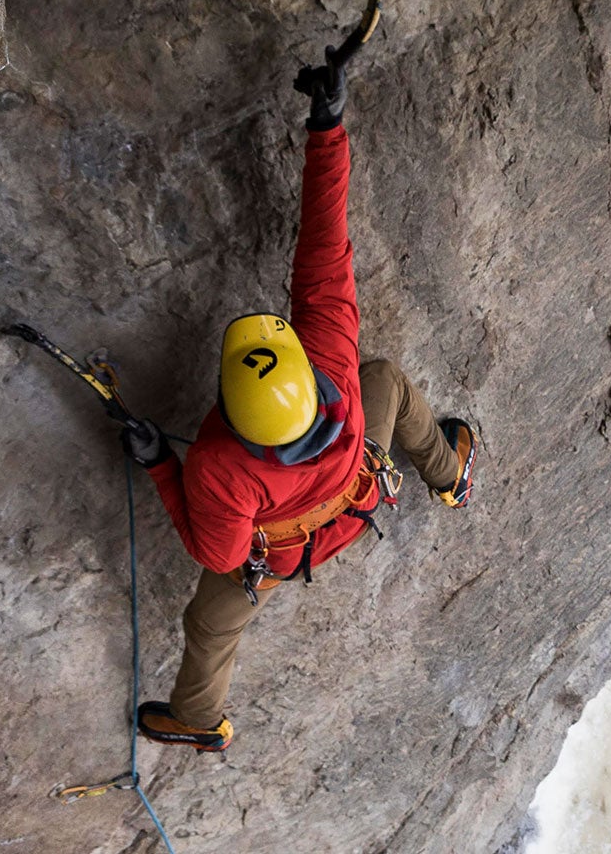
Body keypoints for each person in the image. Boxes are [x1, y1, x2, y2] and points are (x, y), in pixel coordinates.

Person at [118, 53, 478, 752]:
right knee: (389, 381)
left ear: (228, 405)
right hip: (358, 490)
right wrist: (328, 124)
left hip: (281, 553)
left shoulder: (220, 465)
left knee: (211, 622)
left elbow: (214, 550)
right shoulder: (331, 359)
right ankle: (449, 474)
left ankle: (196, 719)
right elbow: (324, 239)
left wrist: (161, 461)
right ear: (306, 380)